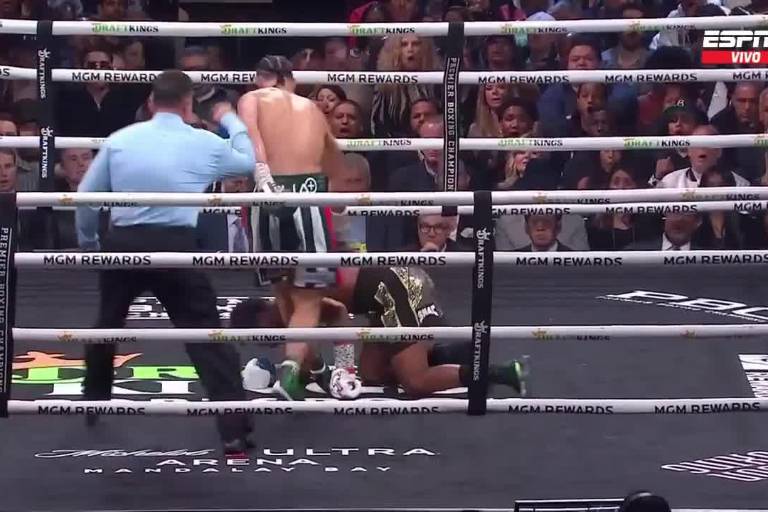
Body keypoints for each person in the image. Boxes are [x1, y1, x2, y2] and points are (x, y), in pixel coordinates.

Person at [75, 70, 256, 456]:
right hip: (175, 245)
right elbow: (248, 163)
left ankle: (94, 399)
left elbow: (87, 196)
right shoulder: (203, 142)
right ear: (189, 104)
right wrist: (229, 117)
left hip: (123, 244)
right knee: (207, 337)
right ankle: (233, 431)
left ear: (151, 102)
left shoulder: (121, 140)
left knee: (107, 322)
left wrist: (89, 244)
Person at [231, 267, 528, 398]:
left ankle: (499, 373)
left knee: (415, 382)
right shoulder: (290, 294)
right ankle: (446, 355)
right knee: (372, 374)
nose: (271, 342)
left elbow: (338, 315)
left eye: (265, 336)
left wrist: (341, 369)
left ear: (263, 316)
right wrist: (332, 371)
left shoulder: (295, 300)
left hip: (395, 289)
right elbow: (337, 319)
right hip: (383, 298)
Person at [237, 55, 347, 400]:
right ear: (290, 78)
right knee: (308, 299)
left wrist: (263, 175)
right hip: (308, 196)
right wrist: (336, 192)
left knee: (284, 292)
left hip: (266, 199)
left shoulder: (251, 98)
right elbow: (334, 161)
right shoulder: (312, 109)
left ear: (261, 78)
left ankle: (312, 369)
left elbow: (250, 137)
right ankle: (290, 373)